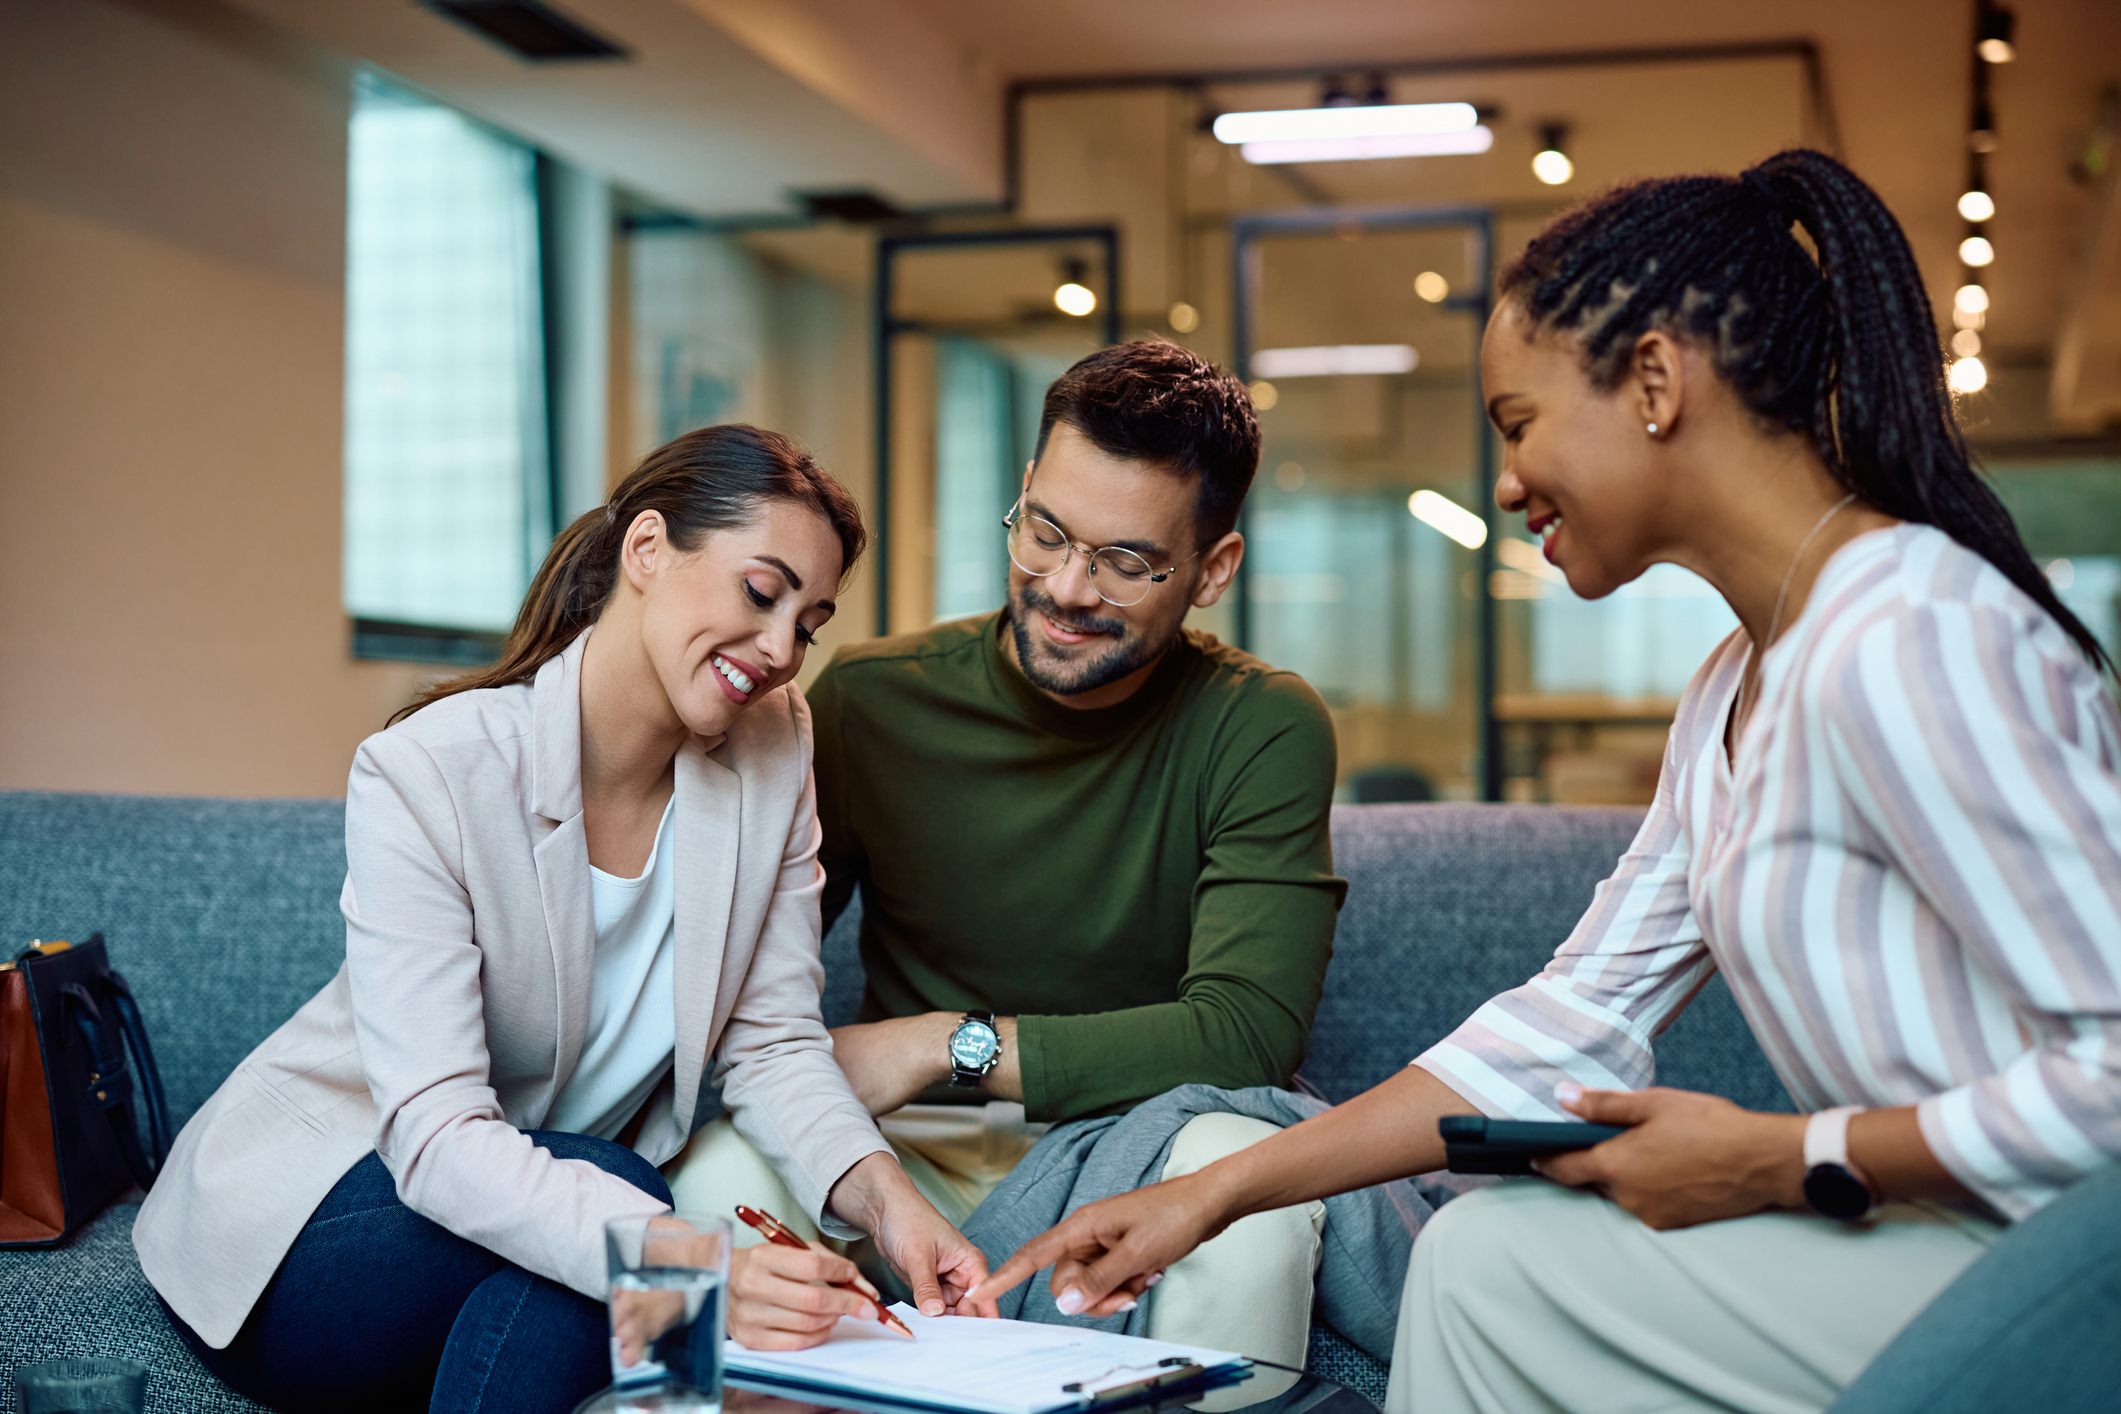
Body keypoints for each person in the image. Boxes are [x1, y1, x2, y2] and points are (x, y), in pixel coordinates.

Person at [974, 148, 2121, 1414]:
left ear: (1654, 381)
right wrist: (1206, 1194)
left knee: (1495, 1274)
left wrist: (1781, 1159)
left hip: (2069, 1262)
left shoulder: (1914, 629)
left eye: (1518, 425)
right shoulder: (1738, 684)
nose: (1507, 482)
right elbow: (1562, 1022)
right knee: (1485, 1255)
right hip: (1941, 1237)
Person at [135, 426, 991, 1414]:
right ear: (647, 551)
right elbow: (438, 1137)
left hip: (531, 1224)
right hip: (312, 1228)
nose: (780, 651)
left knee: (598, 1256)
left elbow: (775, 1045)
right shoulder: (430, 768)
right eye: (763, 592)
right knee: (631, 1209)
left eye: (811, 622)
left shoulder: (774, 747)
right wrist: (698, 1262)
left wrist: (892, 1208)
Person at [664, 340, 1353, 1369]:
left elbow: (1246, 1033)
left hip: (1144, 1144)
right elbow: (728, 975)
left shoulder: (1262, 725)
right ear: (1025, 491)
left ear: (1213, 569)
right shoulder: (868, 701)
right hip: (904, 1154)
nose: (1067, 587)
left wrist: (950, 1042)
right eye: (1046, 532)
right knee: (718, 1167)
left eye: (1127, 561)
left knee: (1246, 1180)